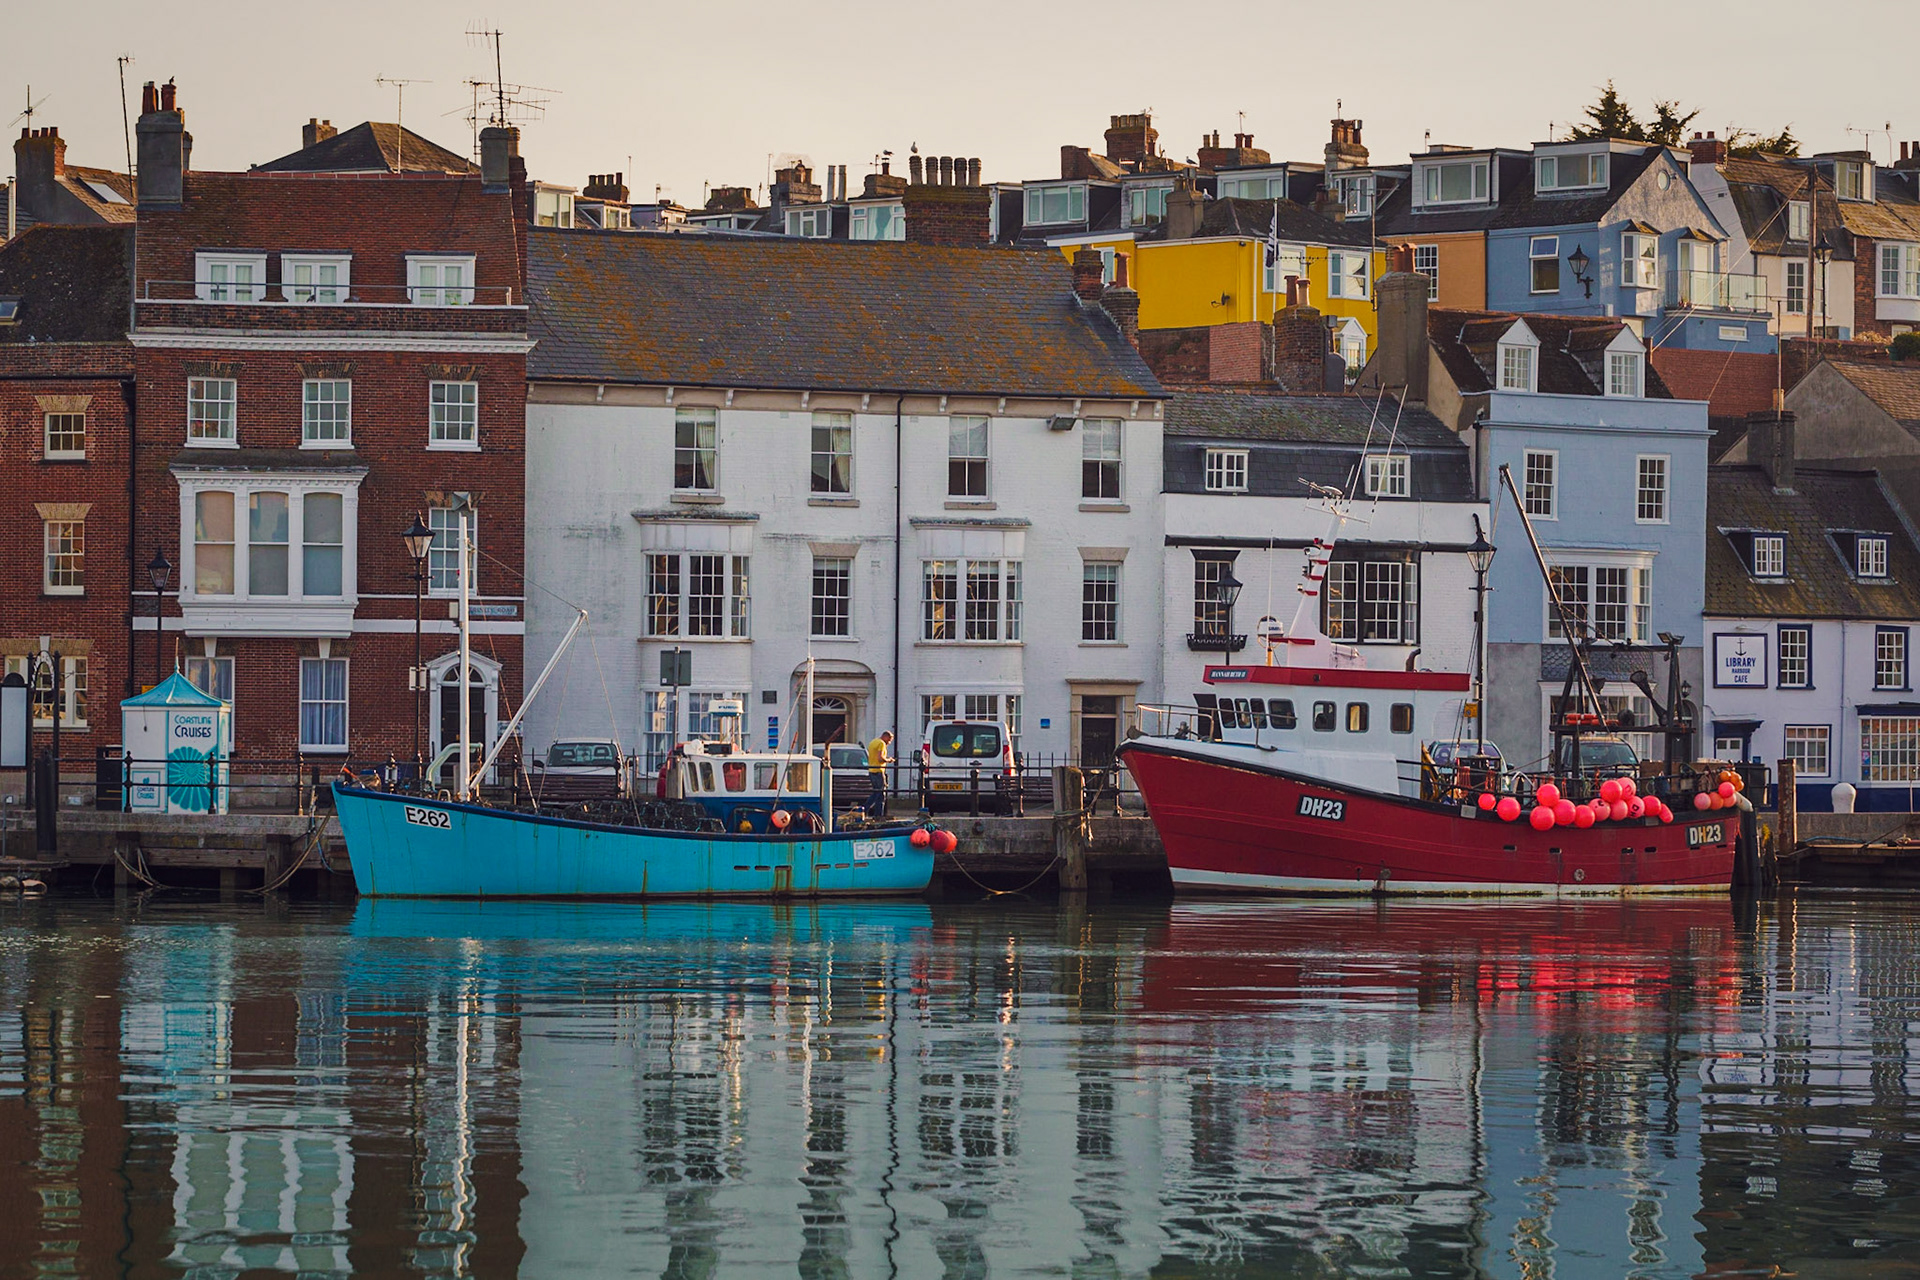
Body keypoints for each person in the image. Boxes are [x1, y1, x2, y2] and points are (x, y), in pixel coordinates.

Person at [865, 730, 894, 818]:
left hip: (871, 771)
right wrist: (889, 760)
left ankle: (864, 809)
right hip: (879, 771)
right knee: (881, 794)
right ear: (885, 737)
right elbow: (880, 758)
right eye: (889, 740)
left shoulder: (873, 742)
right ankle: (878, 815)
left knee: (876, 792)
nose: (889, 743)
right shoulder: (881, 743)